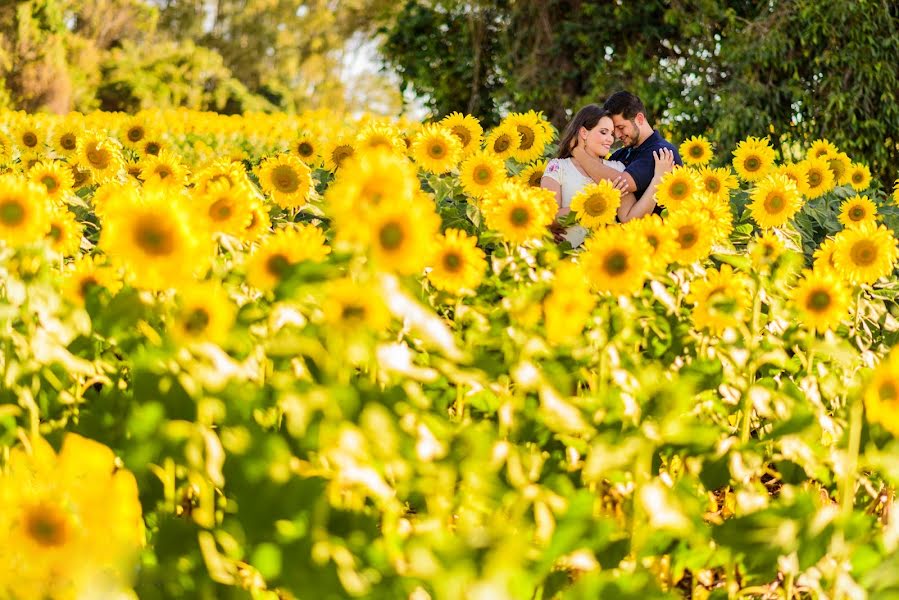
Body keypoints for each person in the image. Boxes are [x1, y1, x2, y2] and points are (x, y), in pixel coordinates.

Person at [540, 104, 674, 247]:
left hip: (603, 257)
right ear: (584, 133)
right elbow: (548, 217)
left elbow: (630, 218)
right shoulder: (558, 167)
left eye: (612, 134)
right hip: (565, 257)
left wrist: (658, 179)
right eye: (604, 132)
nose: (610, 139)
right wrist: (591, 205)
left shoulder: (616, 168)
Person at [571, 91, 681, 211]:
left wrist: (577, 152)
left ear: (639, 119)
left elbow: (621, 183)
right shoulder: (619, 155)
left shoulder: (661, 152)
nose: (617, 135)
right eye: (614, 130)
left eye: (621, 127)